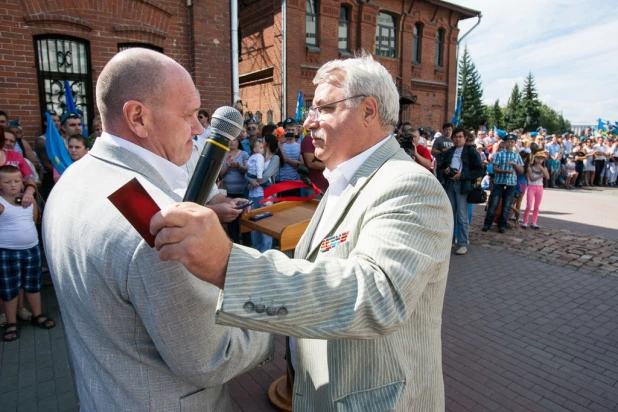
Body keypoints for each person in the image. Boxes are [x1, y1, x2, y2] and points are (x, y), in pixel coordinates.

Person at [151, 53, 453, 411]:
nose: (308, 122)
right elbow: (319, 265)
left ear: (369, 111)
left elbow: (376, 295)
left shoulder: (410, 184)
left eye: (323, 108)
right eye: (311, 109)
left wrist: (227, 264)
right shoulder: (344, 178)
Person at [42, 49, 273, 411]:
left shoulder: (72, 178)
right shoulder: (154, 220)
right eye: (189, 115)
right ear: (138, 118)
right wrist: (275, 319)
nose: (200, 129)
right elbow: (212, 356)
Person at [0, 165, 55, 342]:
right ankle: (11, 322)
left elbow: (33, 220)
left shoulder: (28, 200)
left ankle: (37, 314)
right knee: (10, 289)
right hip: (8, 252)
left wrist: (29, 193)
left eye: (17, 181)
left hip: (31, 249)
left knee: (33, 284)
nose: (13, 185)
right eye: (7, 182)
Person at [438, 128, 483, 255]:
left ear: (464, 138)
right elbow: (441, 167)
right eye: (455, 137)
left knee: (462, 216)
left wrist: (462, 175)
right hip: (450, 184)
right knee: (449, 215)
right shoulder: (449, 151)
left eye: (460, 137)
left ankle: (463, 243)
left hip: (463, 185)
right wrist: (446, 171)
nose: (457, 139)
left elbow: (479, 170)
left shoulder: (471, 151)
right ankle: (450, 241)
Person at [482, 133, 524, 233]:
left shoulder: (516, 156)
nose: (510, 143)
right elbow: (495, 168)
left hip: (511, 183)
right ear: (505, 143)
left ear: (514, 143)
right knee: (493, 204)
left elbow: (521, 170)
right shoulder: (499, 154)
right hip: (499, 182)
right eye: (508, 142)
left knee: (506, 206)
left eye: (512, 142)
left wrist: (514, 164)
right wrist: (505, 171)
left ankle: (502, 225)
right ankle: (487, 223)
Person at [219, 136, 249, 243]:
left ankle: (247, 244)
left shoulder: (244, 154)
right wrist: (227, 166)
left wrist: (238, 166)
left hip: (243, 191)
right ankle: (234, 243)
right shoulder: (223, 155)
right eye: (230, 140)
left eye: (234, 140)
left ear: (238, 142)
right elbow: (221, 173)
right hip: (229, 192)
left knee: (244, 219)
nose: (232, 142)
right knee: (232, 219)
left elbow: (247, 170)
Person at [522, 152, 549, 229]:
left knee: (536, 206)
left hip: (540, 187)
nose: (540, 160)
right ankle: (525, 221)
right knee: (529, 205)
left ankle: (534, 222)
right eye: (538, 158)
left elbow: (547, 177)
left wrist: (542, 169)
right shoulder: (530, 168)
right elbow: (531, 178)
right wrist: (541, 175)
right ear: (535, 158)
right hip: (531, 187)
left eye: (542, 158)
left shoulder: (544, 168)